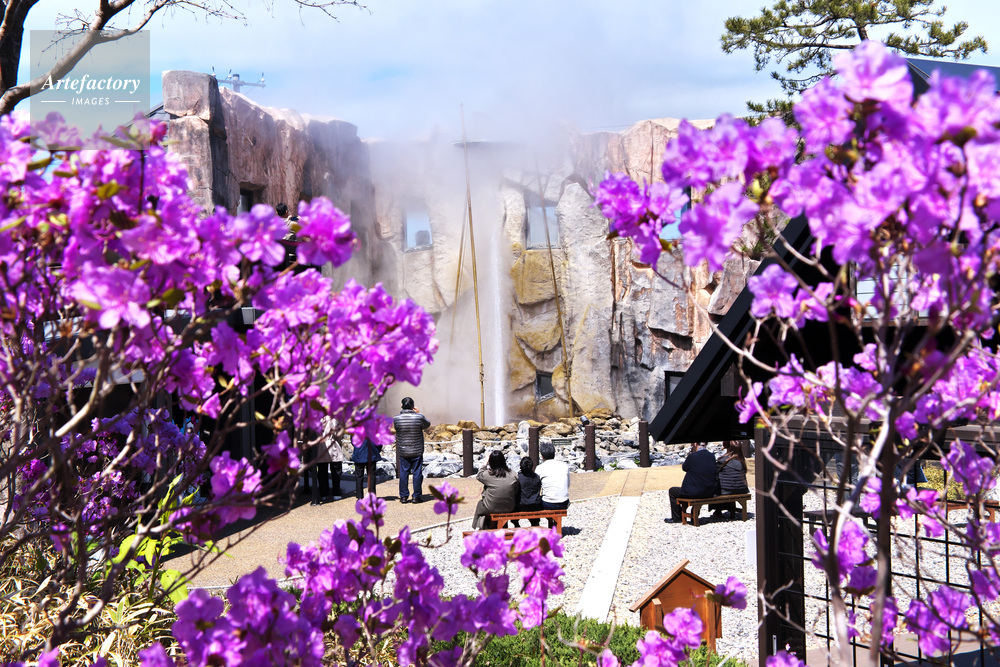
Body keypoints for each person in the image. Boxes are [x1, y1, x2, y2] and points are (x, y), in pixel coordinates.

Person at [668, 442, 717, 523]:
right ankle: (693, 516)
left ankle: (677, 518)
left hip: (693, 492)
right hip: (708, 491)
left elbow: (684, 468)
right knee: (697, 488)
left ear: (695, 444)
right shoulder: (711, 456)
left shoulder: (692, 456)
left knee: (672, 491)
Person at [393, 397, 430, 504]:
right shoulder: (419, 417)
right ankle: (416, 496)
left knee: (403, 473)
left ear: (401, 406)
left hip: (403, 450)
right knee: (417, 473)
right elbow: (427, 425)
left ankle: (403, 496)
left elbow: (397, 429)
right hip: (417, 450)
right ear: (413, 406)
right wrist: (419, 413)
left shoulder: (396, 418)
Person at [472, 450, 520, 530]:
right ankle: (502, 527)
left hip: (491, 507)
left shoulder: (487, 474)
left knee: (480, 504)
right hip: (509, 507)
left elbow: (479, 475)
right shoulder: (513, 474)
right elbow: (516, 490)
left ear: (491, 462)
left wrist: (484, 464)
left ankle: (477, 526)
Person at [712, 440, 750, 520]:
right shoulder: (741, 461)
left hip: (726, 490)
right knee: (728, 483)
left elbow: (714, 472)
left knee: (716, 486)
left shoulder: (723, 461)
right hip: (742, 489)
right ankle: (730, 510)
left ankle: (718, 511)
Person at [309, 421, 345, 505]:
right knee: (336, 471)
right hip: (333, 445)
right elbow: (339, 435)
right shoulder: (334, 420)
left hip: (320, 447)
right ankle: (336, 493)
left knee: (322, 471)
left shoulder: (318, 420)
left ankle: (324, 493)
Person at [535, 442, 570, 527]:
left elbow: (536, 487)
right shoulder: (564, 466)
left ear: (542, 456)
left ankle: (551, 523)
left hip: (548, 503)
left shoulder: (539, 468)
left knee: (538, 501)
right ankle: (555, 523)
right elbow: (568, 485)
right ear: (554, 453)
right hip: (564, 501)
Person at [351, 435, 382, 499]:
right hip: (371, 453)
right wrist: (376, 450)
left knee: (359, 476)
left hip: (359, 454)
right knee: (371, 476)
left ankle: (359, 496)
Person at [516, 456, 543, 527]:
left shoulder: (518, 478)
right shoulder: (536, 477)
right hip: (535, 505)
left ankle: (516, 524)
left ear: (520, 466)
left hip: (521, 505)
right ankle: (535, 524)